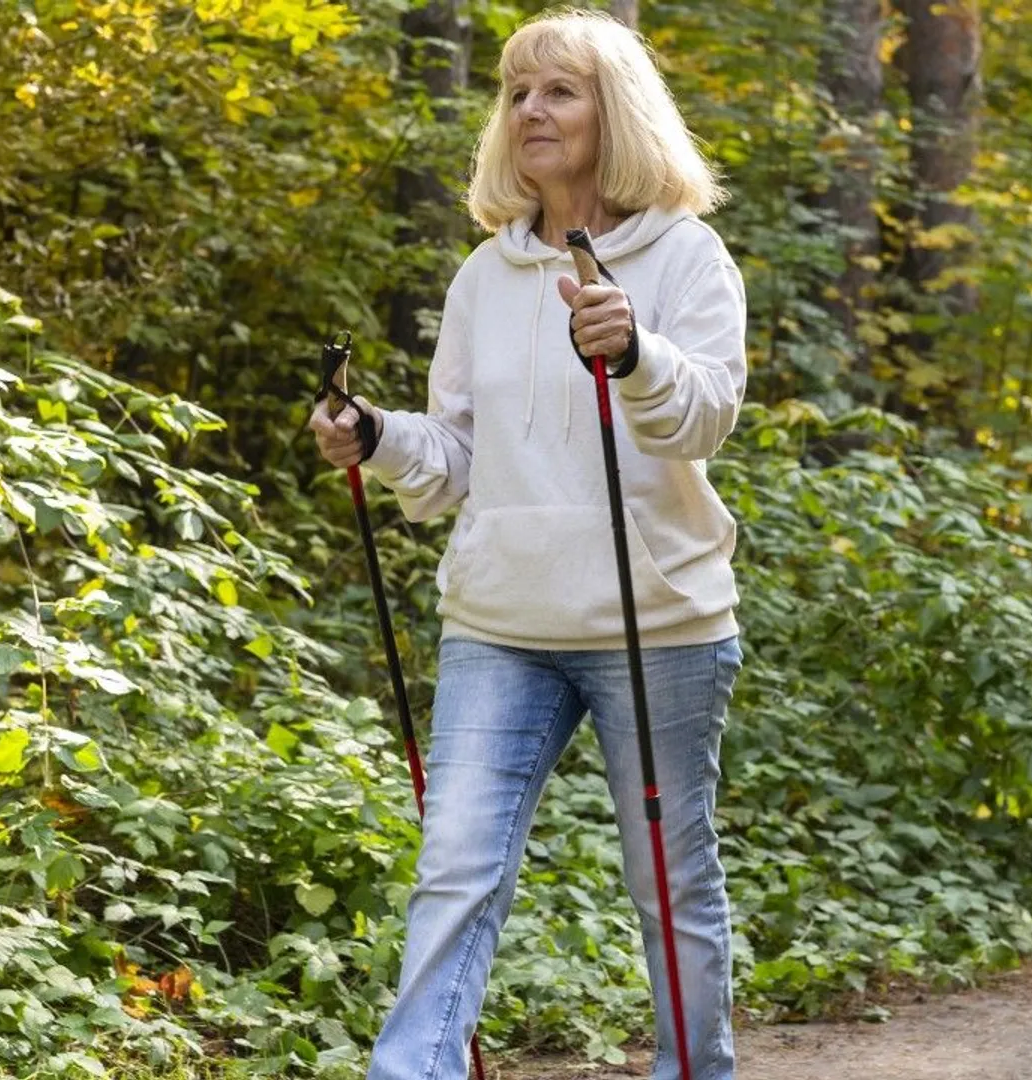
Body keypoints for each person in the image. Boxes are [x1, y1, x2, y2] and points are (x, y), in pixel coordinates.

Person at [308, 8, 748, 1080]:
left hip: (659, 625)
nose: (531, 110)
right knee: (456, 863)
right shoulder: (483, 277)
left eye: (560, 90)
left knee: (669, 878)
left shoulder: (686, 257)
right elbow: (459, 451)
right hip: (501, 622)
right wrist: (373, 437)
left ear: (619, 112)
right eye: (517, 93)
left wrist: (635, 349)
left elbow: (704, 418)